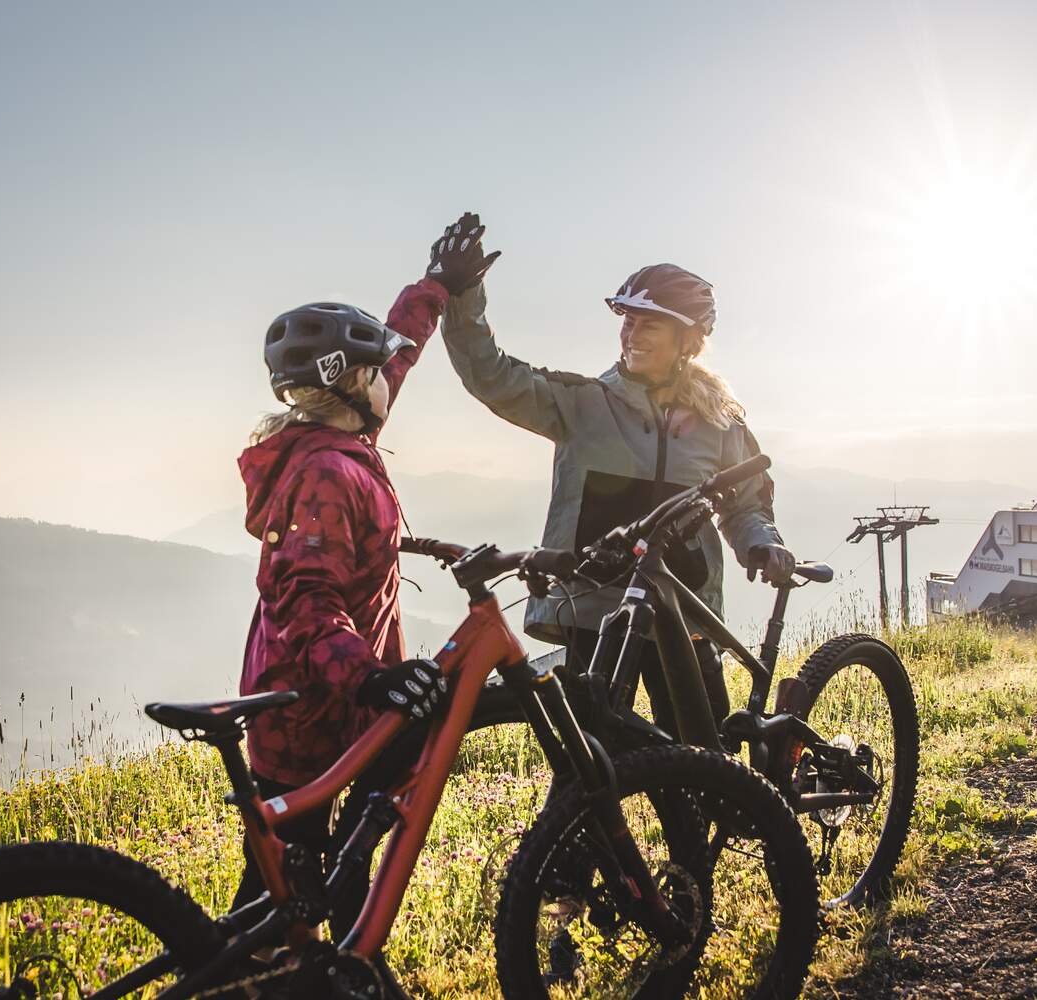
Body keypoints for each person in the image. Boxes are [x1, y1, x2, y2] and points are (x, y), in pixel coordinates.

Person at [231, 214, 499, 946]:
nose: (391, 376)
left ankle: (343, 954)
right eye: (375, 371)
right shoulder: (325, 473)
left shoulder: (341, 436)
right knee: (275, 904)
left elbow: (399, 352)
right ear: (351, 386)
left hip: (331, 702)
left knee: (322, 870)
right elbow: (307, 605)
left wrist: (437, 287)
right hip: (309, 714)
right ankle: (281, 973)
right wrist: (370, 680)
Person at [440, 247, 793, 730]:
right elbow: (493, 376)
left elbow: (747, 504)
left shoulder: (720, 424)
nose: (631, 333)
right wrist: (462, 296)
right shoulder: (584, 404)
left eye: (649, 324)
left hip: (681, 610)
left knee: (706, 757)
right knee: (590, 758)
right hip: (595, 610)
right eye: (627, 320)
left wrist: (761, 543)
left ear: (687, 340)